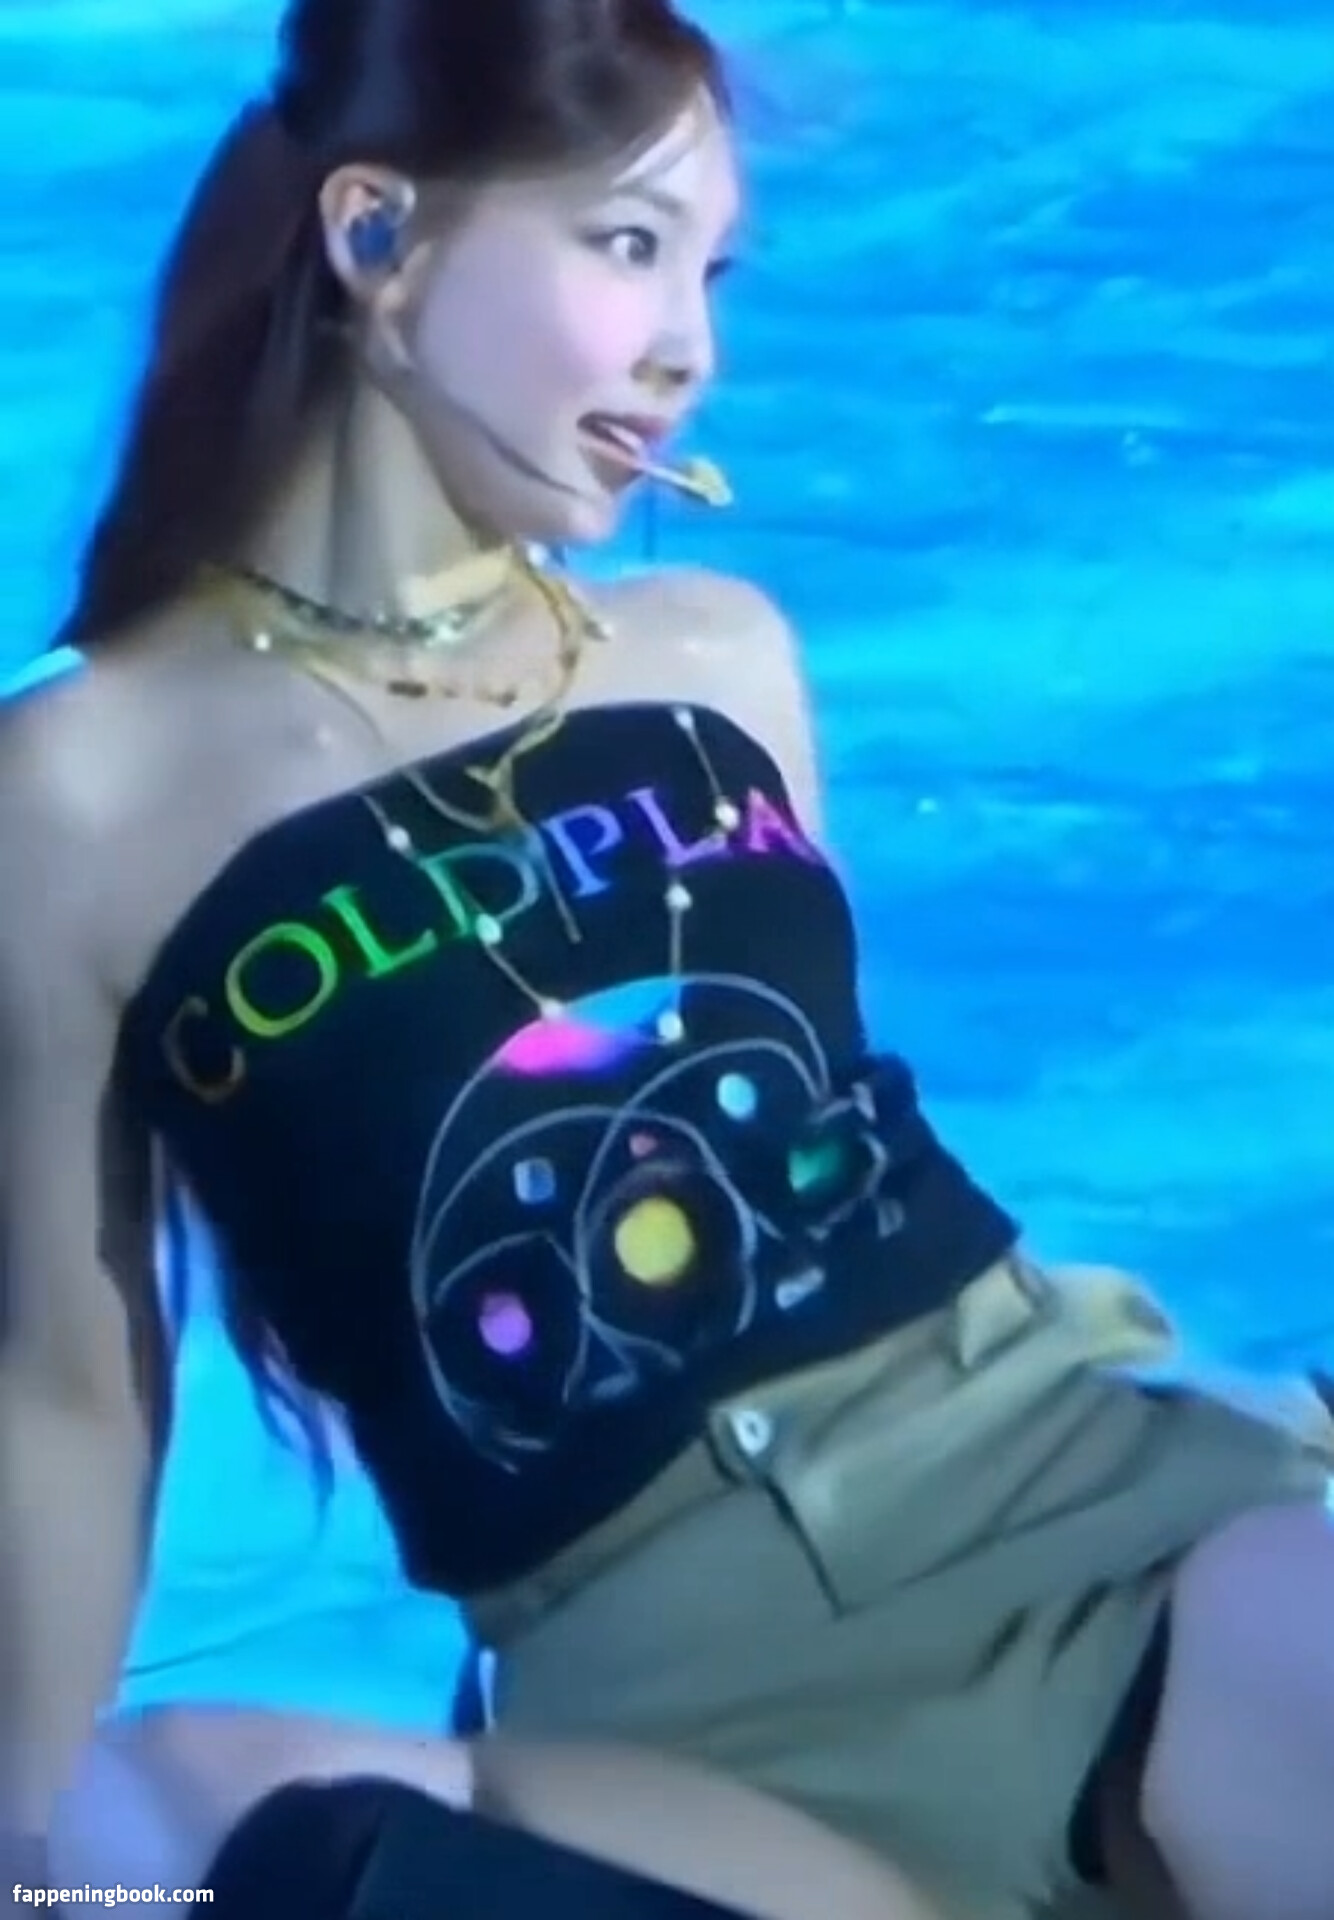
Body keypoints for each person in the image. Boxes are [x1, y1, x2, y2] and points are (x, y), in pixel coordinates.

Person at [1, 0, 1332, 1914]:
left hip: (1083, 1522)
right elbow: (65, 1392)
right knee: (141, 1826)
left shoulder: (716, 658)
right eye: (628, 245)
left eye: (710, 271)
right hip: (681, 1734)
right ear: (379, 238)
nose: (687, 346)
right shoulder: (74, 793)